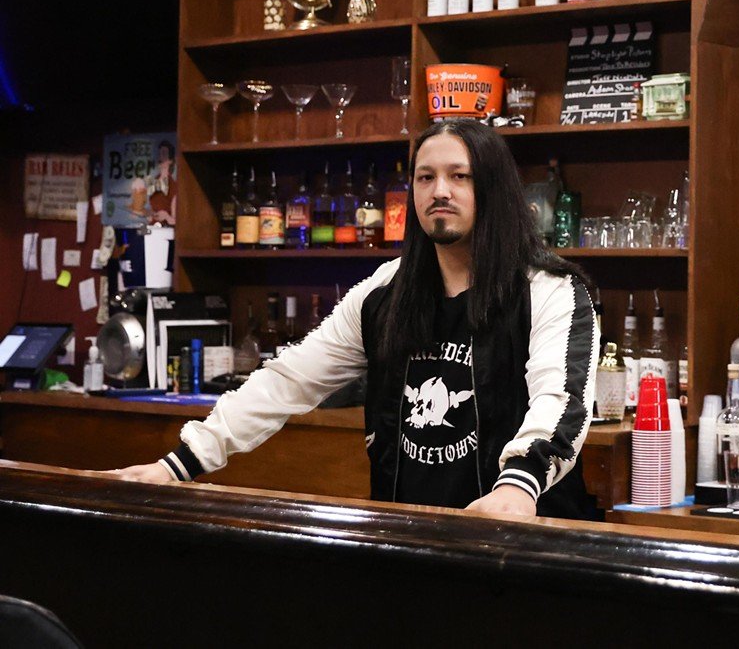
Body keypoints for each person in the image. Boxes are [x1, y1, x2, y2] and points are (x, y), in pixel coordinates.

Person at [111, 120, 599, 519]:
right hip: (404, 535)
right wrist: (179, 465)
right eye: (425, 177)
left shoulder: (548, 289)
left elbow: (560, 401)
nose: (439, 191)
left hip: (523, 539)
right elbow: (289, 379)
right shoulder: (383, 293)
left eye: (460, 176)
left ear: (492, 187)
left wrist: (519, 486)